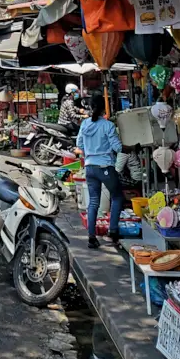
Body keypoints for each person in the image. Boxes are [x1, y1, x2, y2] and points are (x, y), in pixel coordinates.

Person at [76, 93, 124, 249]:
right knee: (117, 197)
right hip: (105, 167)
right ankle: (113, 232)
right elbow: (118, 147)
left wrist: (89, 153)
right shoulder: (107, 125)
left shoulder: (84, 124)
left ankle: (91, 237)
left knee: (93, 202)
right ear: (104, 108)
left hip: (89, 167)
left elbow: (80, 145)